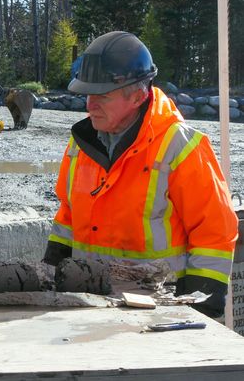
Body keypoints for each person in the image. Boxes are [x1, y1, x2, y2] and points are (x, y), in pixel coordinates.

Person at [43, 31, 238, 317]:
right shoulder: (80, 144)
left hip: (161, 306)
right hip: (90, 301)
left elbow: (215, 230)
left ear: (137, 96)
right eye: (87, 94)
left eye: (102, 97)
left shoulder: (178, 145)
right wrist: (52, 269)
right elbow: (68, 216)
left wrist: (200, 304)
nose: (89, 105)